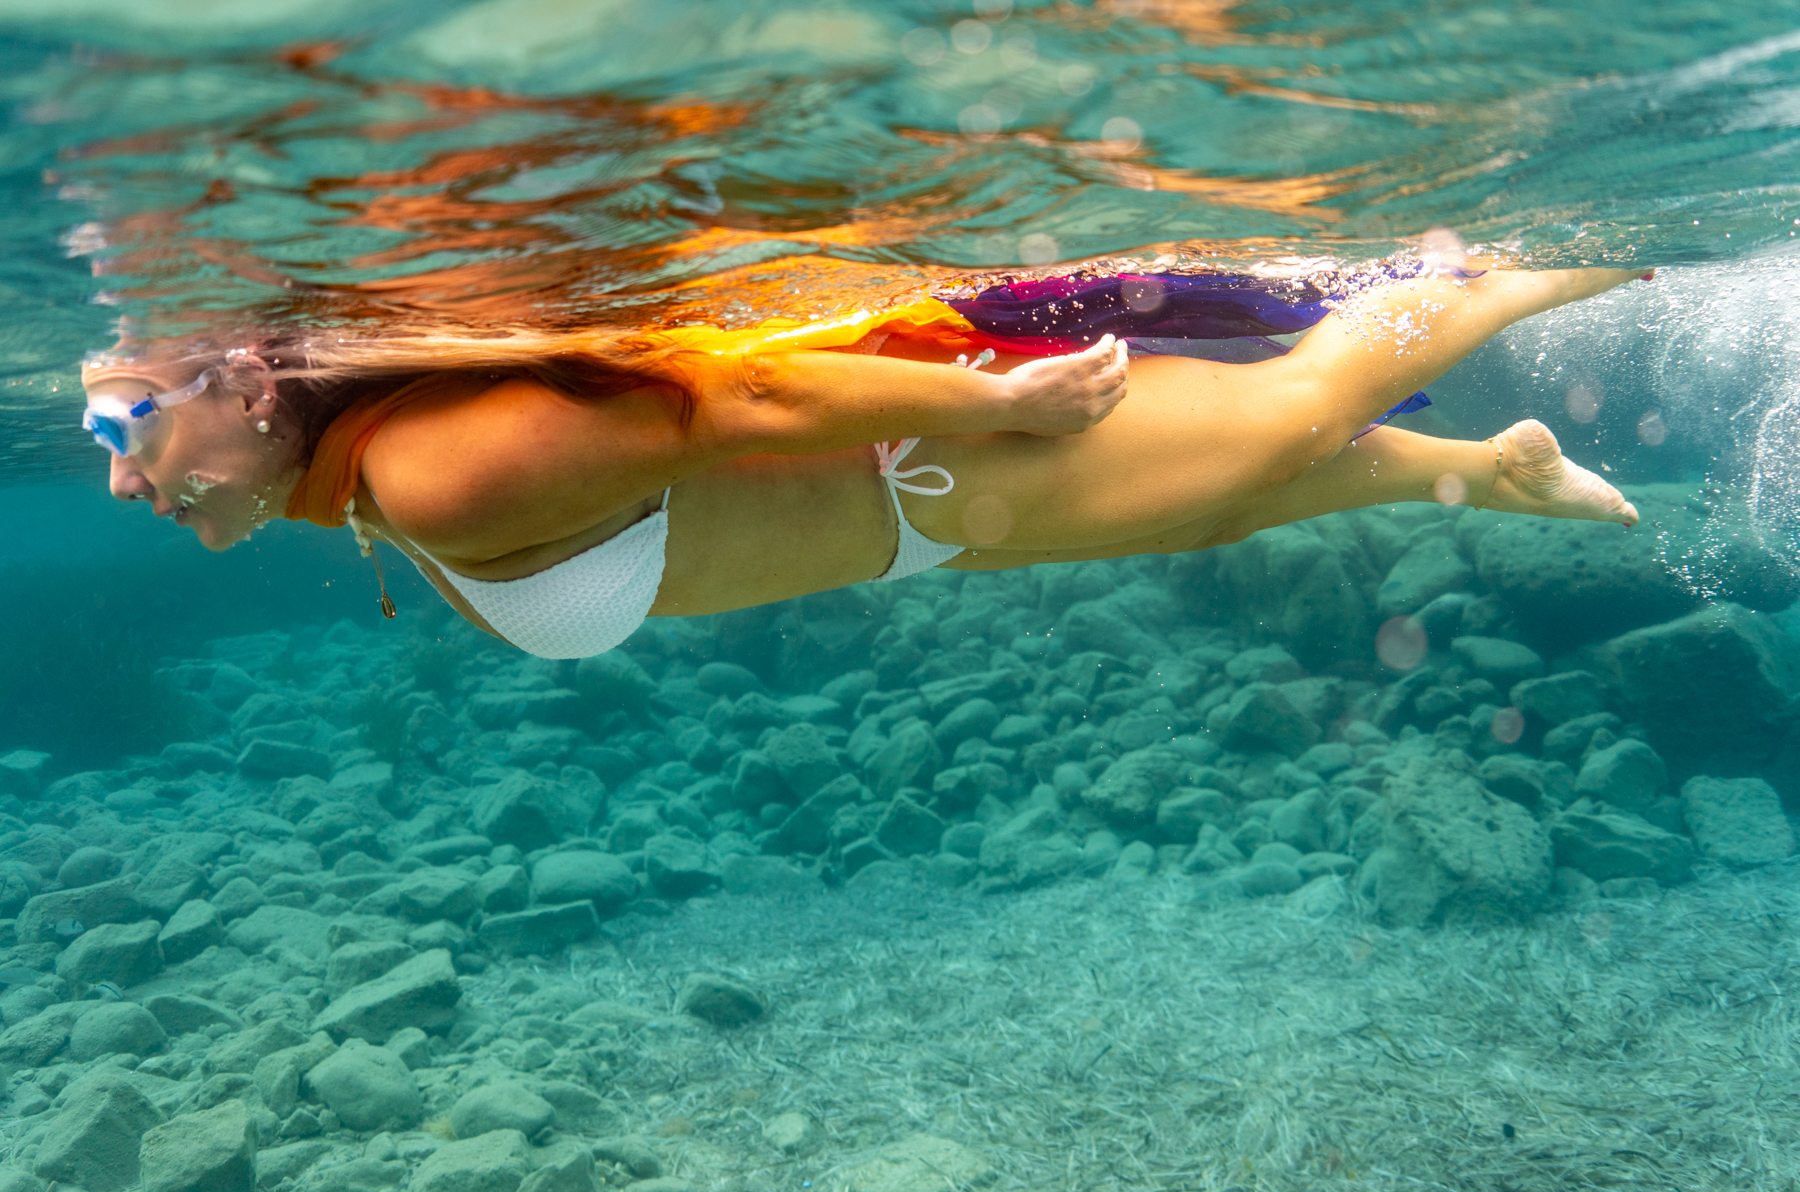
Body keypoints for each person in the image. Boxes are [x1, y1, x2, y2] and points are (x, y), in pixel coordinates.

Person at [81, 261, 1650, 659]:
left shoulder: (426, 476)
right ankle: (1482, 471)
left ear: (247, 381)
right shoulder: (377, 464)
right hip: (929, 509)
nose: (117, 474)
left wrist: (999, 409)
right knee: (1214, 505)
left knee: (1293, 406)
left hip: (940, 466)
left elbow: (717, 409)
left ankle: (1563, 271)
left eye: (121, 423)